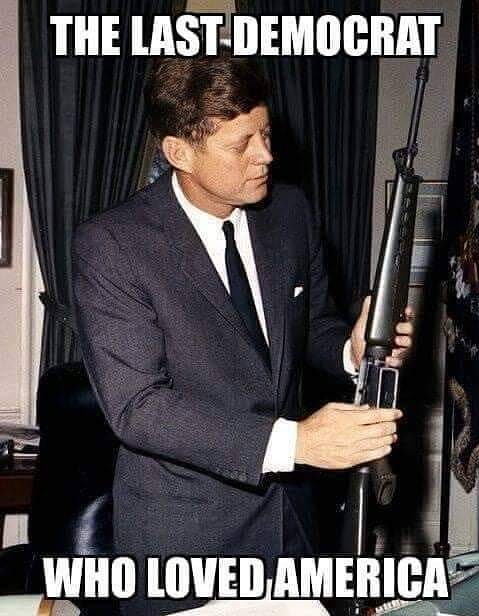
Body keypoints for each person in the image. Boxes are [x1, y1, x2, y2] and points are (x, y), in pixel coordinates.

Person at [72, 48, 413, 616]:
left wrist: (351, 351)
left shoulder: (290, 213)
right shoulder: (113, 246)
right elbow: (139, 408)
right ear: (179, 152)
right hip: (186, 556)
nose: (266, 155)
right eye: (242, 144)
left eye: (266, 133)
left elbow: (312, 327)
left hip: (294, 539)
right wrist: (297, 442)